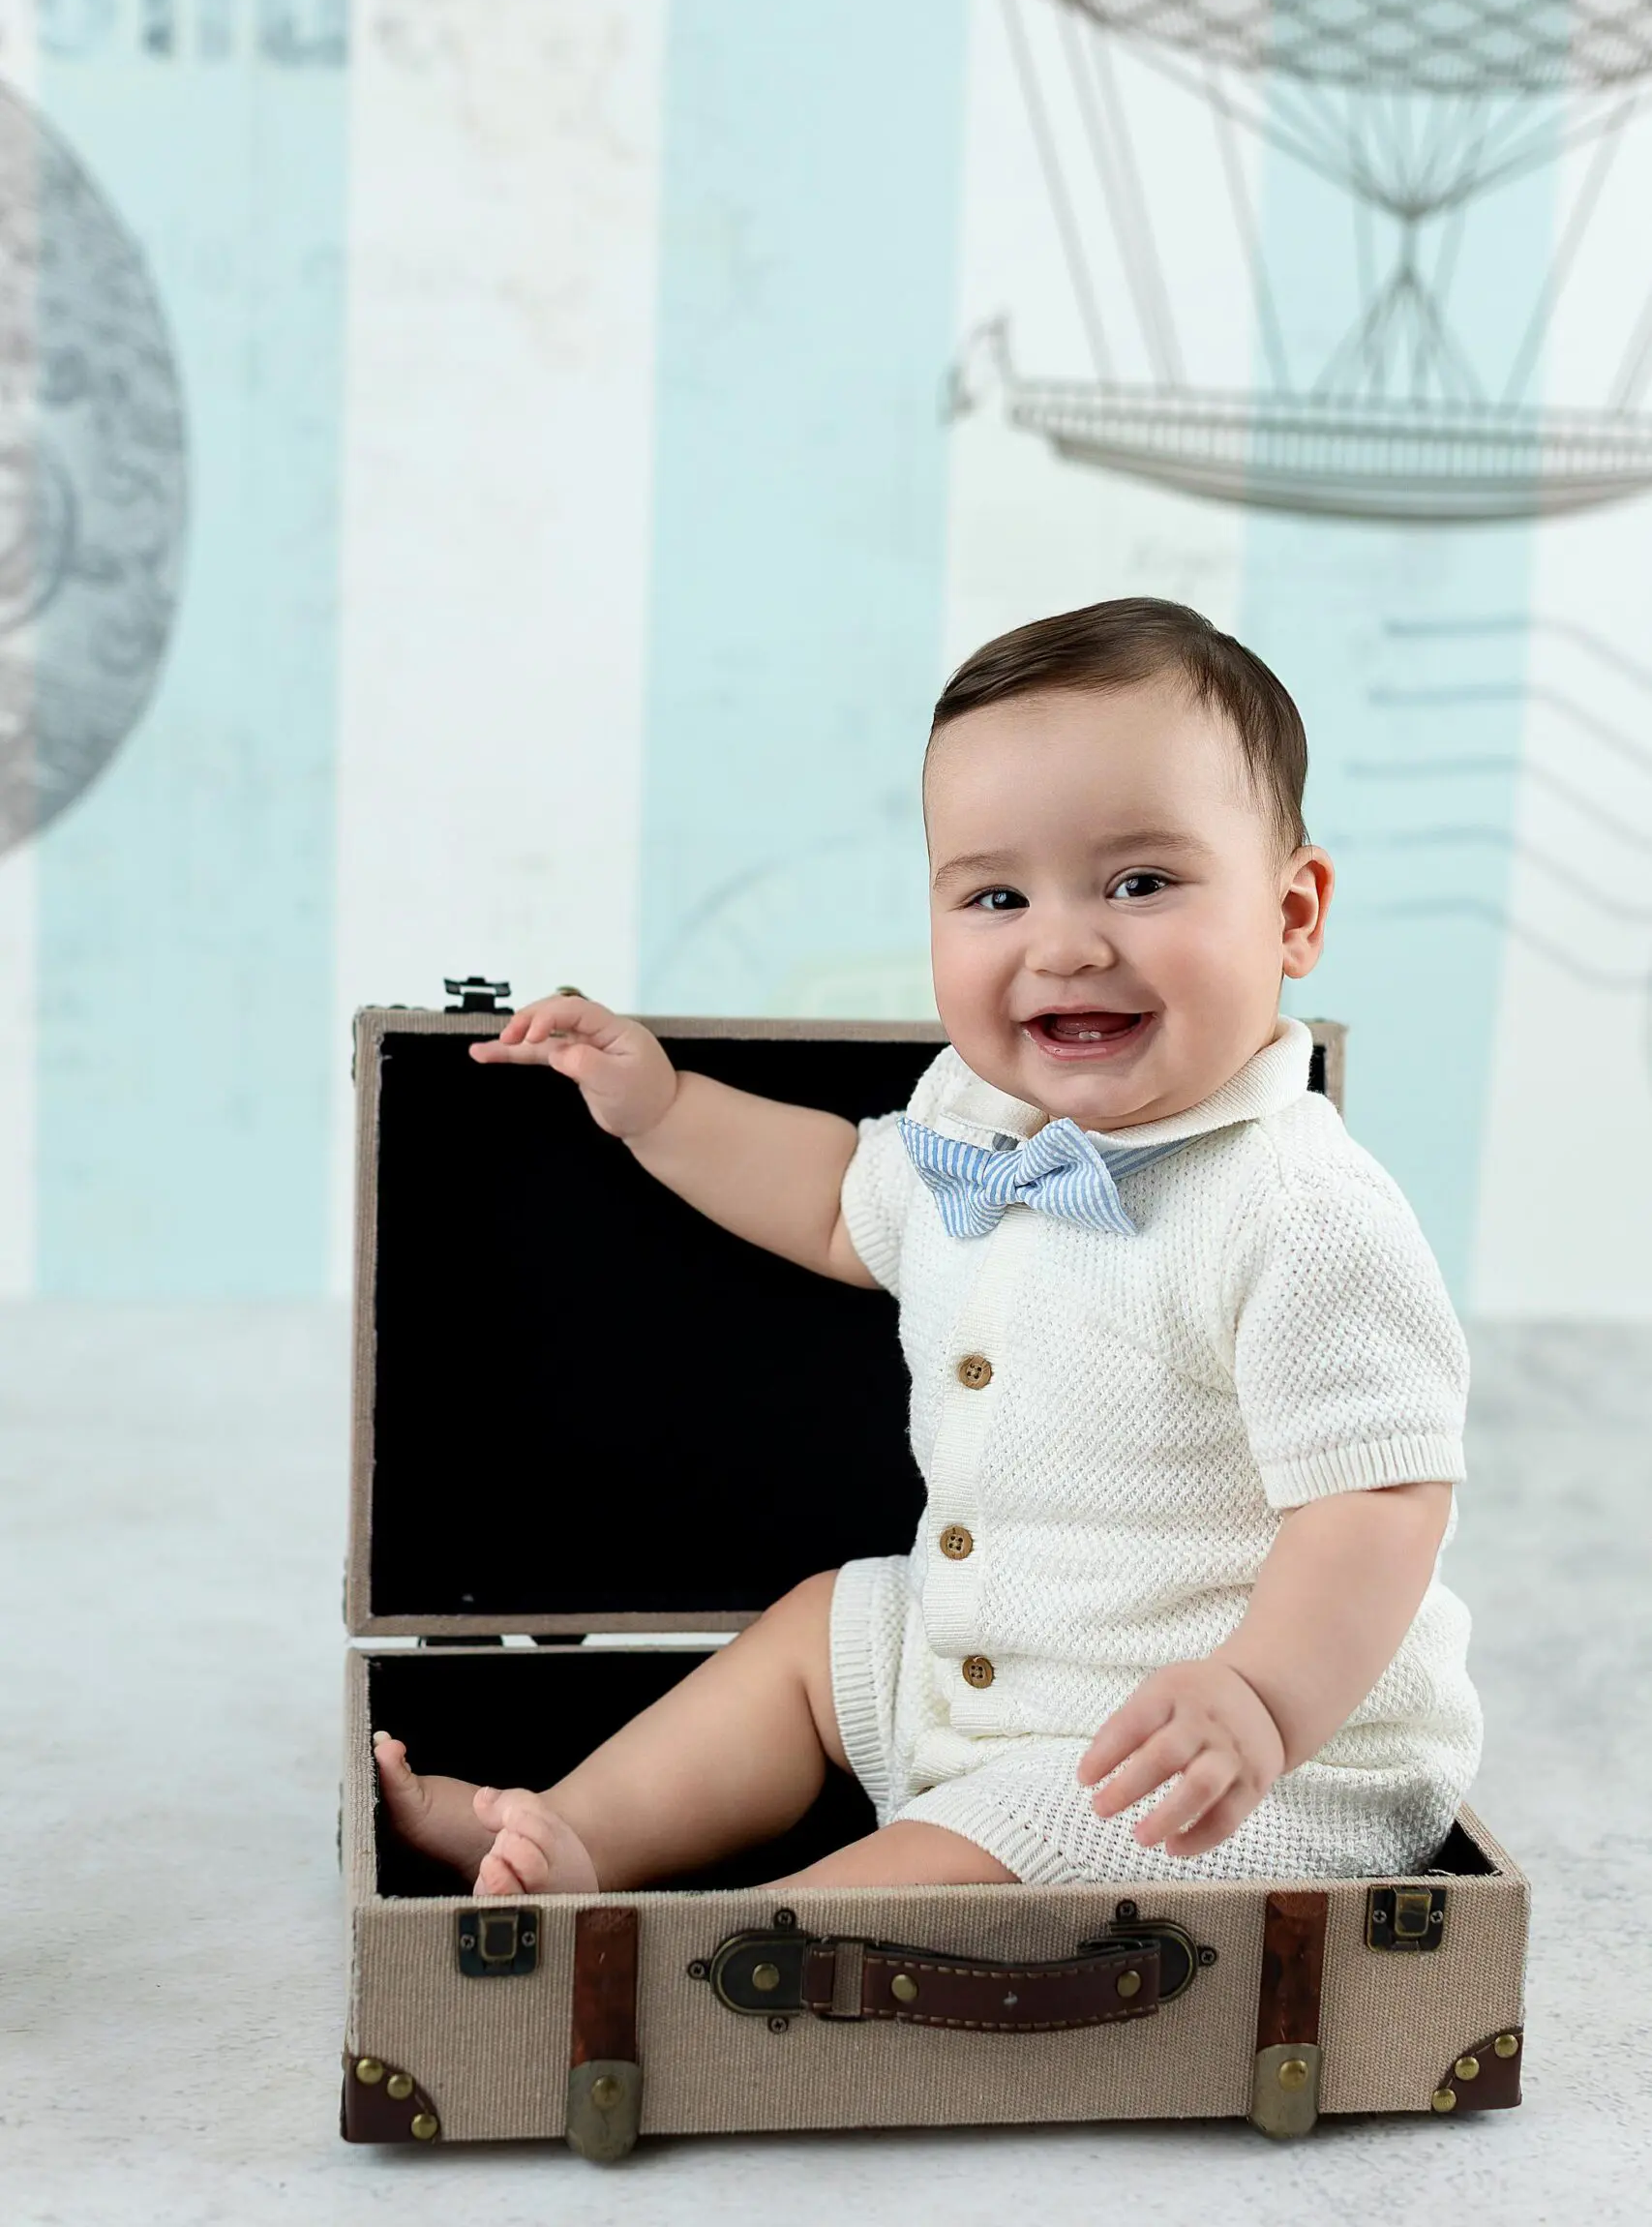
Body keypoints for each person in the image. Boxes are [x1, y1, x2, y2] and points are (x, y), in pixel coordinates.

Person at [374, 596, 1479, 1898]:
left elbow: (1380, 1500)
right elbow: (841, 1199)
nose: (1064, 943)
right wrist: (661, 1109)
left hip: (1208, 1765)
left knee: (970, 1855)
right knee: (818, 1633)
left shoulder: (1298, 1207)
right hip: (983, 1670)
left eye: (1140, 881)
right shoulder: (982, 1124)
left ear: (1293, 914)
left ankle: (732, 1958)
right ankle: (566, 1834)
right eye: (996, 894)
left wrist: (1261, 1696)